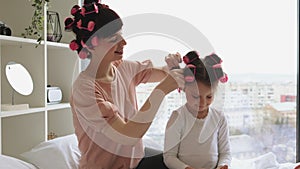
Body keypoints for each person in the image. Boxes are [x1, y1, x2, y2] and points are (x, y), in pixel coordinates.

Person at [64, 0, 184, 169]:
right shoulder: (85, 90)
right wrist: (162, 90)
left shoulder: (123, 68)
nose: (124, 42)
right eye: (114, 38)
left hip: (135, 162)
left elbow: (162, 73)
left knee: (183, 159)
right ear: (91, 45)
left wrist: (172, 67)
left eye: (121, 35)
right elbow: (128, 135)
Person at [163, 51, 231, 169]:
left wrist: (223, 165)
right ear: (184, 88)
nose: (202, 103)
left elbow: (225, 153)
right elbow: (169, 156)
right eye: (196, 96)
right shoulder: (178, 117)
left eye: (209, 97)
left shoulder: (219, 118)